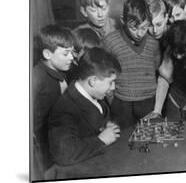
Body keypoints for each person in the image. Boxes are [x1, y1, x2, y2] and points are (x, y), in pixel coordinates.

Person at [48, 47, 121, 166]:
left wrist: (105, 125)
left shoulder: (95, 93)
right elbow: (63, 154)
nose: (113, 87)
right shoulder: (64, 109)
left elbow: (96, 116)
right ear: (93, 81)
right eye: (110, 82)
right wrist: (101, 140)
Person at [104, 0, 161, 129]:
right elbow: (105, 74)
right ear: (123, 20)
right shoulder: (110, 42)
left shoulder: (154, 43)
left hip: (148, 103)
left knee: (149, 140)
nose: (140, 33)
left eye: (144, 27)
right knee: (123, 143)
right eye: (134, 28)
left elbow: (155, 66)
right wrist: (112, 100)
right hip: (121, 104)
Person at [32, 24, 75, 177]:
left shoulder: (61, 71)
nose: (71, 57)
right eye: (66, 53)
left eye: (72, 52)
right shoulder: (35, 78)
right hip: (42, 147)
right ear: (47, 54)